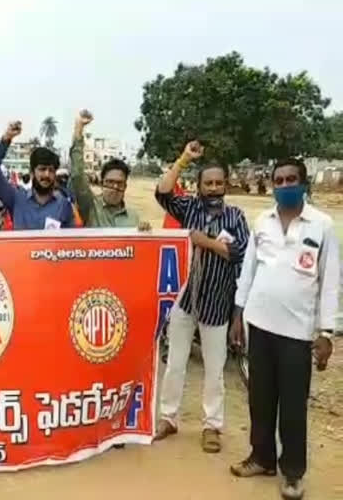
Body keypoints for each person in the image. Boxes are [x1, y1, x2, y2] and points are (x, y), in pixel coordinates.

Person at [229, 158, 339, 500]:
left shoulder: (322, 225)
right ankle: (261, 457)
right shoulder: (261, 221)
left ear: (304, 183)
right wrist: (238, 314)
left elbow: (332, 282)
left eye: (292, 179)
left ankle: (293, 473)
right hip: (259, 325)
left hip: (297, 333)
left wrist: (326, 332)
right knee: (260, 400)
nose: (285, 185)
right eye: (279, 180)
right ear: (272, 184)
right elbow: (248, 271)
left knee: (293, 406)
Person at [153, 140, 249, 453]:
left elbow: (239, 253)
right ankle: (168, 418)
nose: (214, 188)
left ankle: (212, 426)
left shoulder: (236, 217)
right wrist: (183, 158)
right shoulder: (189, 208)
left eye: (219, 182)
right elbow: (163, 192)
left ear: (226, 185)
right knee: (176, 363)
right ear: (199, 186)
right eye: (208, 183)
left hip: (218, 304)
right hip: (187, 299)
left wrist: (202, 241)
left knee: (214, 368)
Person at [0, 121, 74, 230]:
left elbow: (68, 242)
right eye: (42, 169)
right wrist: (6, 139)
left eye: (51, 170)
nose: (47, 174)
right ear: (32, 172)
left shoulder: (63, 205)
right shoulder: (16, 198)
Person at [70, 112, 150, 230]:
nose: (114, 187)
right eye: (110, 182)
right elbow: (77, 175)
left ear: (125, 186)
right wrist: (78, 129)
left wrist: (145, 233)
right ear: (102, 183)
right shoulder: (90, 207)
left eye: (119, 183)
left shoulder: (133, 218)